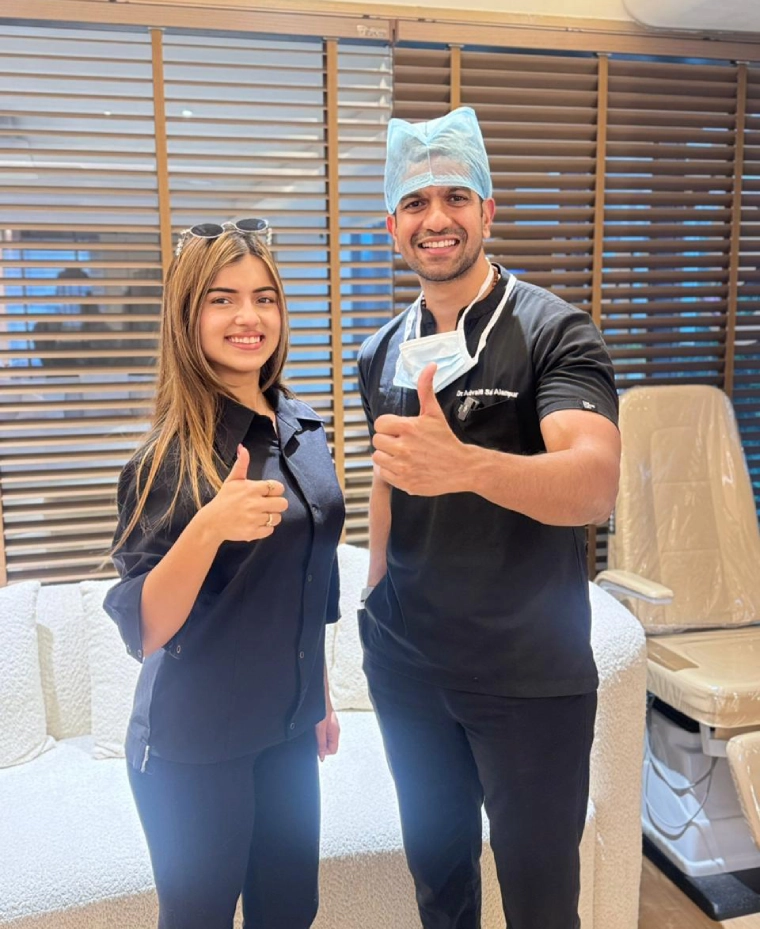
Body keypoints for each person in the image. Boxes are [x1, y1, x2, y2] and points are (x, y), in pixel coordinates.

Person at [357, 107, 621, 929]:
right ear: (393, 224)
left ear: (487, 211)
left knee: (542, 907)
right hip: (409, 671)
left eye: (455, 197)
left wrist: (468, 465)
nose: (435, 218)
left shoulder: (553, 332)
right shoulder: (380, 350)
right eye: (415, 202)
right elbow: (388, 479)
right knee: (440, 891)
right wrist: (372, 597)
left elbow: (595, 484)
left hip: (527, 681)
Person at [104, 218, 345, 929]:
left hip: (288, 728)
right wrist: (209, 526)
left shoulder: (304, 429)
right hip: (192, 744)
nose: (249, 317)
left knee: (290, 911)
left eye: (264, 298)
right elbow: (145, 629)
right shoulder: (166, 458)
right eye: (223, 299)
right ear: (189, 316)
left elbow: (310, 577)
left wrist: (320, 694)